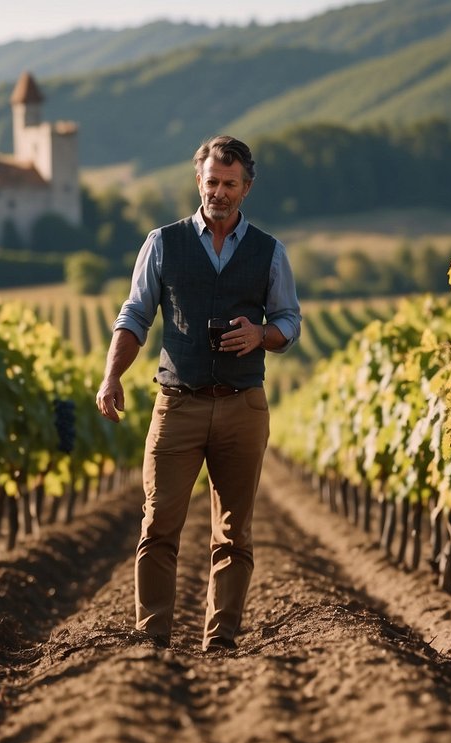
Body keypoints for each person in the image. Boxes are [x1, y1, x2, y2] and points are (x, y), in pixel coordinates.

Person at [95, 135, 301, 653]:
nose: (220, 192)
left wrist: (262, 335)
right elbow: (135, 315)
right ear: (198, 182)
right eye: (212, 181)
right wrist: (111, 375)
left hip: (242, 405)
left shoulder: (269, 251)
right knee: (159, 520)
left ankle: (222, 640)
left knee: (234, 532)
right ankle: (152, 638)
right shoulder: (162, 242)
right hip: (178, 403)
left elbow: (289, 321)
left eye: (230, 183)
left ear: (246, 188)